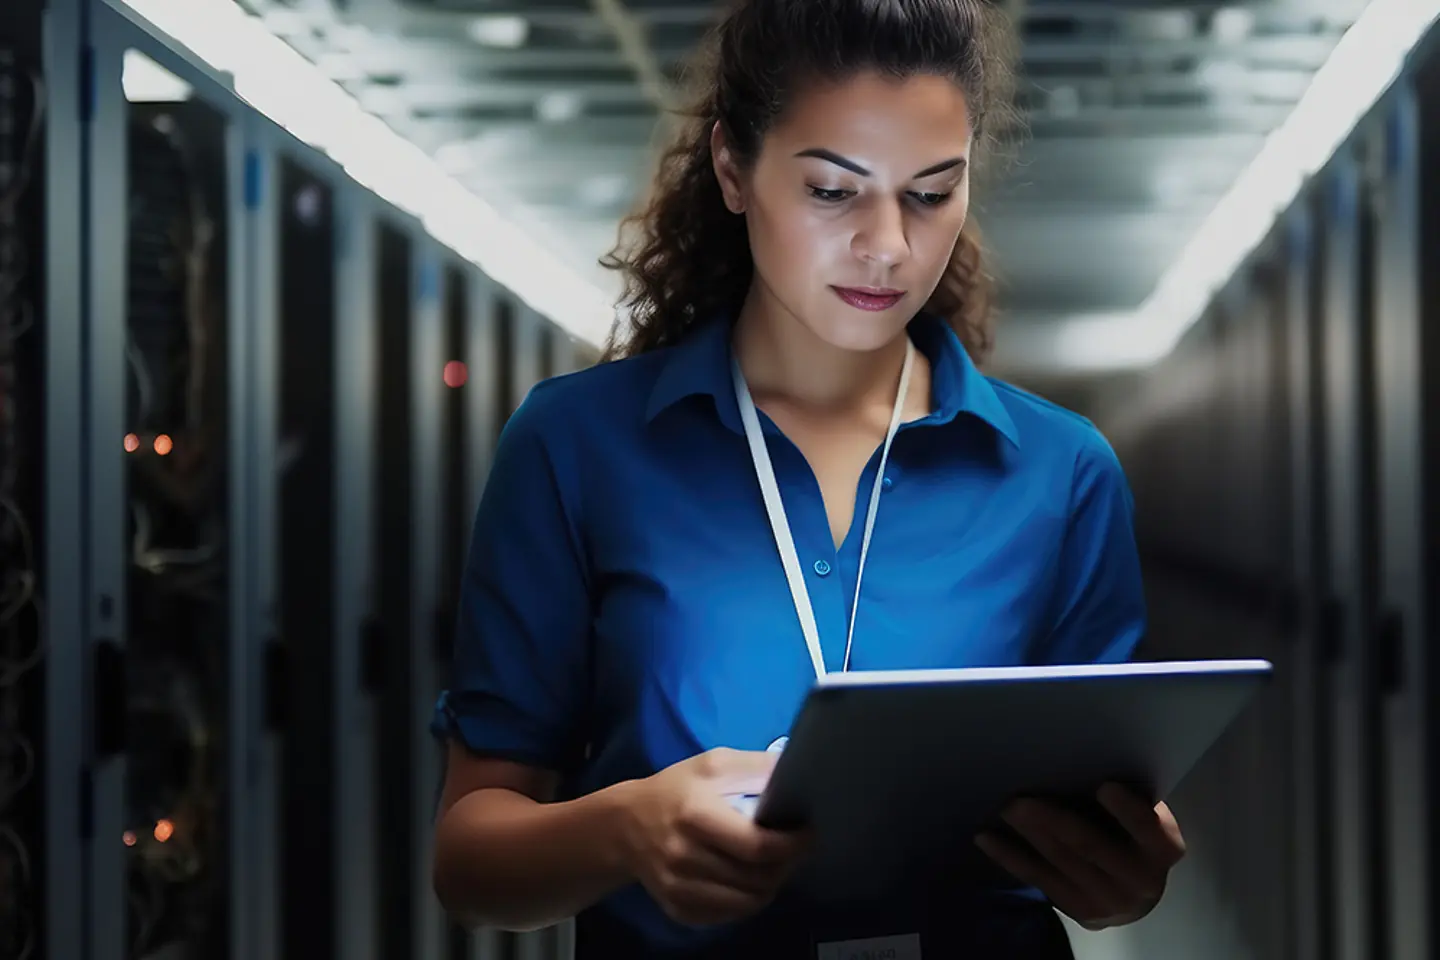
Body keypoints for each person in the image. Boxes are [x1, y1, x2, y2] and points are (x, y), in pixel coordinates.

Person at [430, 0, 1188, 956]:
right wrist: (626, 825)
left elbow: (1099, 827)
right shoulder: (576, 446)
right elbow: (468, 860)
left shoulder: (1061, 472)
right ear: (733, 169)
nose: (888, 246)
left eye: (929, 193)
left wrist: (1121, 883)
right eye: (834, 191)